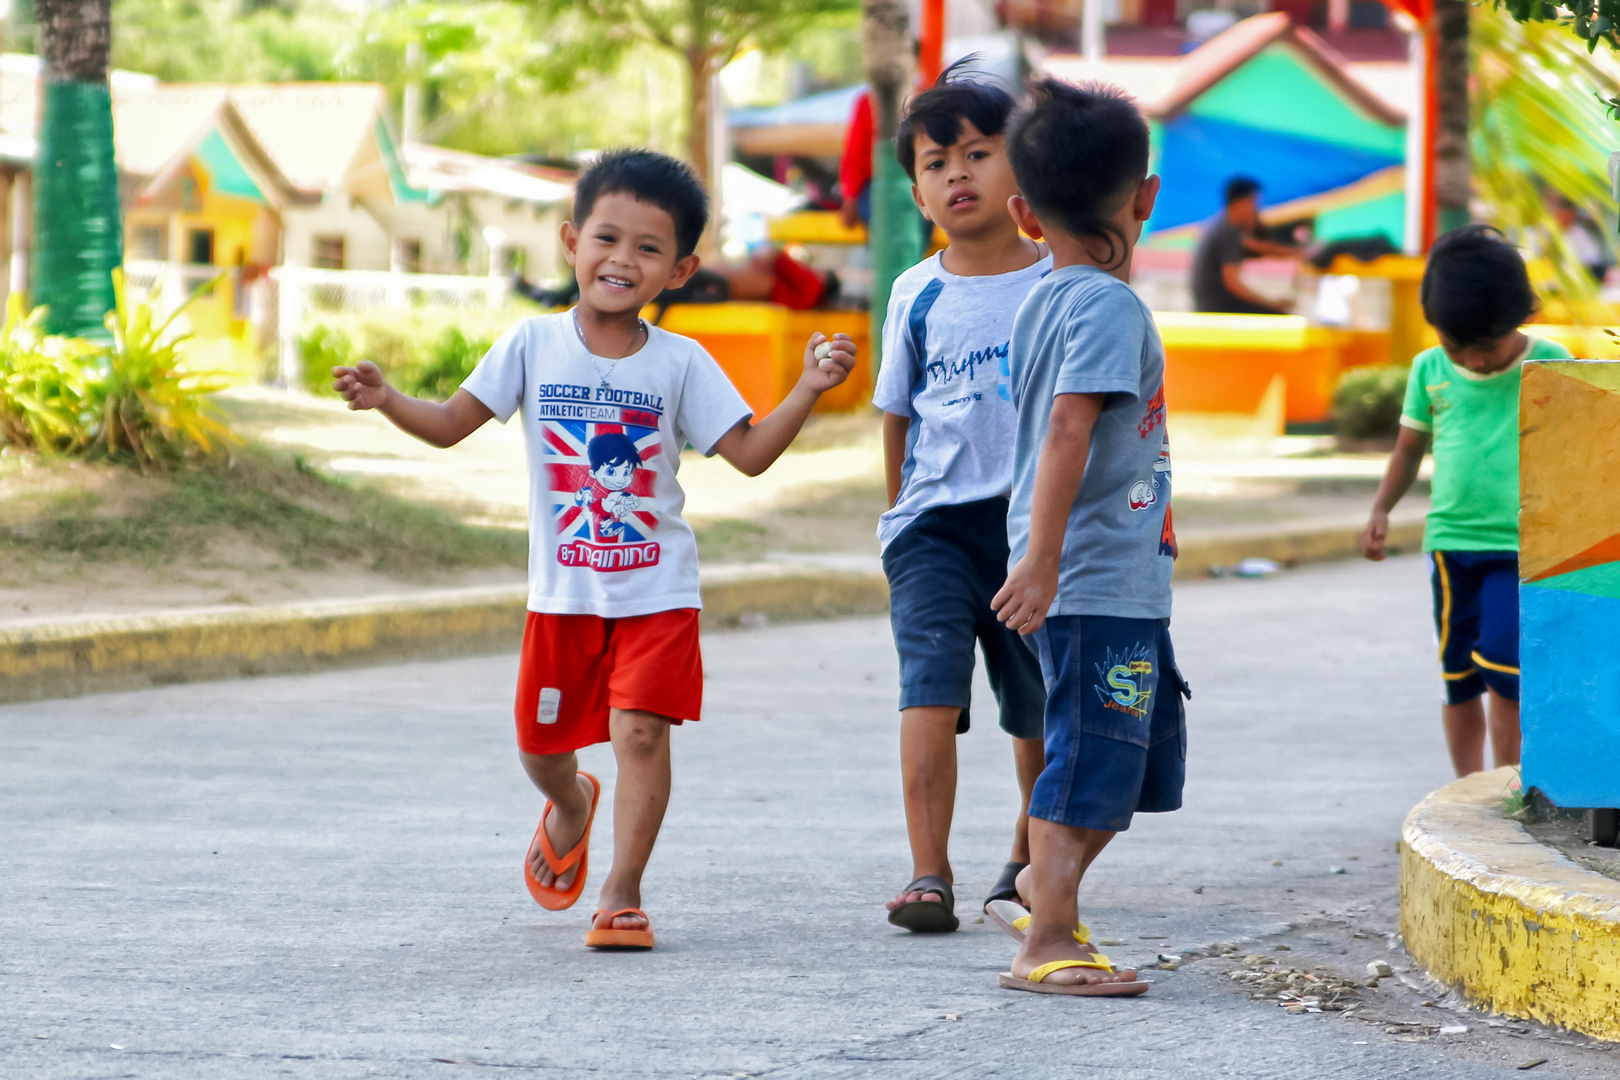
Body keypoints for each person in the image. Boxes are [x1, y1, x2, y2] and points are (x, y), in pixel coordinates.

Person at [331, 149, 857, 951]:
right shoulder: (531, 344)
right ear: (572, 242)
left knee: (641, 731)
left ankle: (621, 892)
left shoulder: (683, 363)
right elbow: (448, 425)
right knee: (541, 749)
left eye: (649, 248)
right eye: (607, 239)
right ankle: (573, 801)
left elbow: (748, 454)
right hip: (563, 598)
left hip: (658, 592)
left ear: (679, 270)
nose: (623, 260)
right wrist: (386, 399)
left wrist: (808, 391)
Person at [991, 78, 1188, 997]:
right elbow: (1067, 428)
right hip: (1089, 578)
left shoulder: (1044, 299)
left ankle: (1039, 880)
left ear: (1025, 215)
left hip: (1112, 577)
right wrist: (1041, 559)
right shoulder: (1107, 307)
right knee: (1095, 754)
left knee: (1135, 753)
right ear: (1145, 197)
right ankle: (1048, 936)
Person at [873, 63, 1053, 933]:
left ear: (1020, 170)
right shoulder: (916, 293)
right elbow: (896, 419)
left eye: (979, 154)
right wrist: (894, 522)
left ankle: (1027, 858)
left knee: (1037, 705)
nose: (957, 174)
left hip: (1032, 528)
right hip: (932, 530)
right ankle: (927, 873)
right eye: (936, 162)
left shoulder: (1059, 281)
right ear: (916, 190)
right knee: (928, 692)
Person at [1359, 225, 1570, 778]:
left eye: (1487, 348)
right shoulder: (1430, 368)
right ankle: (1468, 787)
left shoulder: (1550, 364)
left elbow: (1578, 451)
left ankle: (1509, 786)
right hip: (1453, 547)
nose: (1474, 363)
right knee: (1459, 680)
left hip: (1524, 548)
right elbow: (1409, 449)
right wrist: (1381, 508)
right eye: (1459, 348)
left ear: (1522, 315)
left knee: (1505, 668)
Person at [1191, 176, 1301, 315]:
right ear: (1240, 202)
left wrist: (1296, 253)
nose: (1256, 209)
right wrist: (1272, 303)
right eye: (1254, 202)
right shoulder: (1228, 230)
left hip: (1209, 304)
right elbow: (1233, 283)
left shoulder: (1223, 224)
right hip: (1219, 307)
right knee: (1282, 317)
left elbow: (1260, 247)